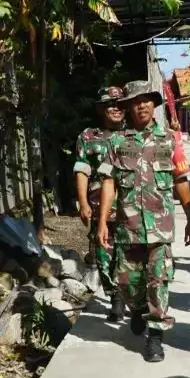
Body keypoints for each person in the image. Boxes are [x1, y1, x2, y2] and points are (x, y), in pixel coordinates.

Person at [98, 80, 190, 363]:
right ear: (128, 106)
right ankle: (138, 308)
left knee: (159, 281)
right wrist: (103, 222)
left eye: (146, 100)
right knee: (128, 284)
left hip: (160, 227)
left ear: (153, 104)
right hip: (128, 227)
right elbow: (108, 183)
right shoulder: (116, 142)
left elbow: (181, 179)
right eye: (135, 101)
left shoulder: (170, 139)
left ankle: (155, 337)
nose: (141, 105)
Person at [73, 85, 125, 322]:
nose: (115, 108)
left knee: (130, 254)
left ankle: (130, 294)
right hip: (98, 208)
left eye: (119, 104)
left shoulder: (133, 134)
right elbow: (82, 170)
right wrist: (83, 203)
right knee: (104, 255)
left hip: (130, 207)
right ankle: (114, 296)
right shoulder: (88, 136)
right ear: (101, 109)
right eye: (110, 105)